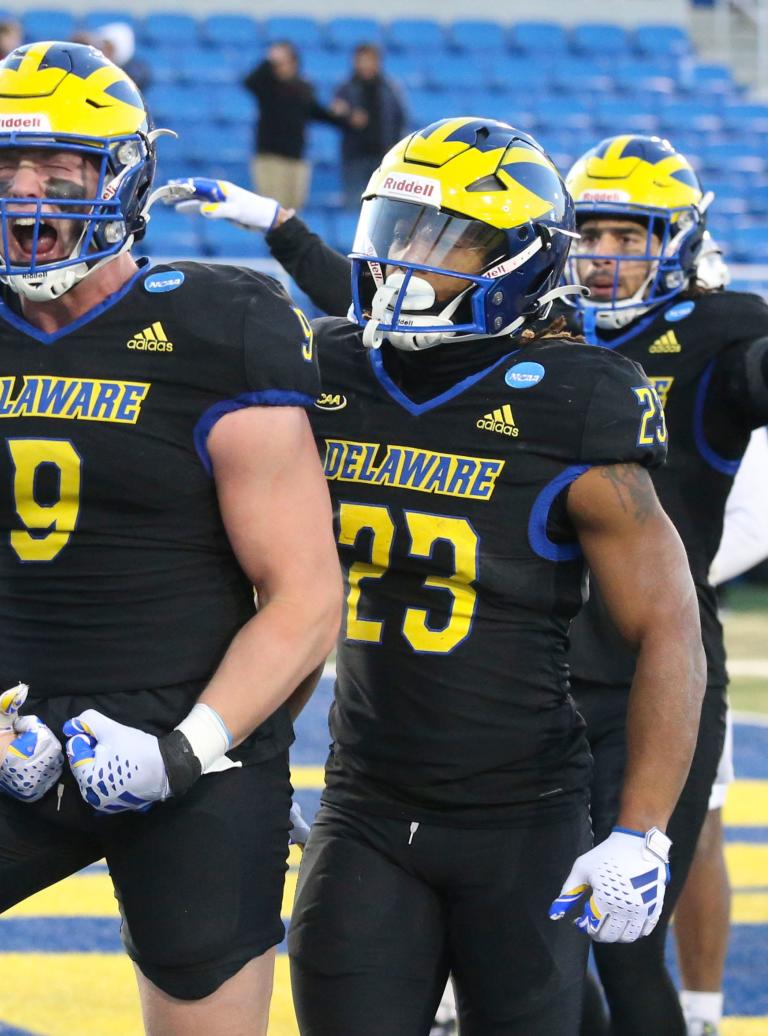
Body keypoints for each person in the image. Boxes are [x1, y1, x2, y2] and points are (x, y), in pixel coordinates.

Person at [0, 42, 341, 1036]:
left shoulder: (223, 327)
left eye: (60, 167)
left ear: (123, 174)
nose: (24, 191)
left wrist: (187, 749)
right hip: (27, 744)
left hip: (197, 751)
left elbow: (307, 595)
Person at [170, 117, 706, 1034]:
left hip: (523, 816)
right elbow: (269, 586)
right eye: (399, 231)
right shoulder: (330, 367)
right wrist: (233, 752)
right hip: (366, 802)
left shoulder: (577, 398)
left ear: (523, 258)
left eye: (447, 239)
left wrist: (641, 830)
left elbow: (670, 626)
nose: (408, 262)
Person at [559, 134, 768, 1036]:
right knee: (523, 927)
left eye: (627, 235)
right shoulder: (538, 326)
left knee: (621, 931)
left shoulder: (720, 330)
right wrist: (288, 234)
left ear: (675, 239)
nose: (604, 257)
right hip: (537, 672)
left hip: (661, 673)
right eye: (590, 234)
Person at [676, 425, 768, 1036]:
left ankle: (702, 1013)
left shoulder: (720, 339)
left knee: (698, 817)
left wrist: (644, 567)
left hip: (672, 620)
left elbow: (755, 519)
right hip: (540, 614)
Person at [243, 42, 349, 212]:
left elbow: (316, 112)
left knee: (294, 209)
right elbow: (249, 82)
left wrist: (340, 116)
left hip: (296, 157)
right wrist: (268, 60)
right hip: (271, 157)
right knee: (271, 209)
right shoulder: (267, 86)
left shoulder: (303, 88)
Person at [331, 43, 406, 210]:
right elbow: (334, 115)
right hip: (354, 157)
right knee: (353, 206)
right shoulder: (345, 88)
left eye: (369, 61)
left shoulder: (390, 88)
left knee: (382, 208)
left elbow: (400, 118)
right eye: (362, 61)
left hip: (383, 156)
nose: (366, 65)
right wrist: (349, 115)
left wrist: (395, 146)